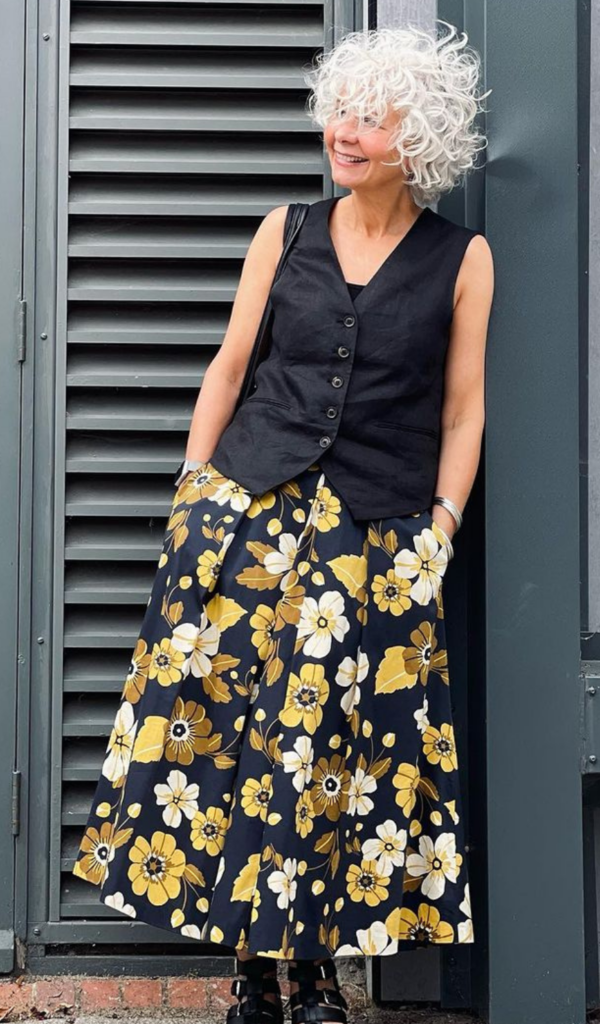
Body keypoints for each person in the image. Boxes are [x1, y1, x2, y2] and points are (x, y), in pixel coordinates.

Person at [72, 20, 494, 1024]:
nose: (341, 132)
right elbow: (229, 367)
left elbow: (462, 409)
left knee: (323, 759)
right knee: (225, 754)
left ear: (417, 134)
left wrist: (438, 525)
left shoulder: (460, 259)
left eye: (366, 116)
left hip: (371, 538)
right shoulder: (284, 230)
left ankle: (310, 971)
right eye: (336, 110)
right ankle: (253, 975)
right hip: (245, 521)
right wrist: (190, 493)